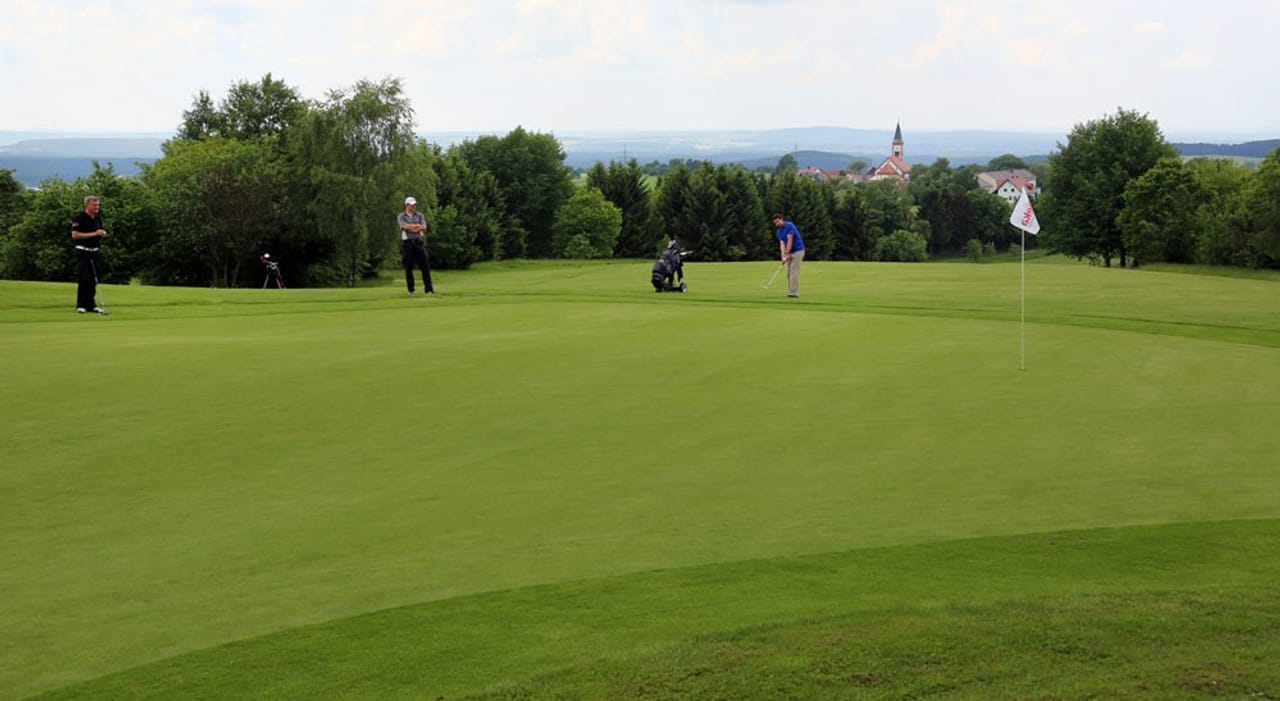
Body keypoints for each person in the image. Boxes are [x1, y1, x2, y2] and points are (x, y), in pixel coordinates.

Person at [71, 195, 108, 314]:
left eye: (98, 205)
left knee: (93, 279)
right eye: (94, 205)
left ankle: (91, 305)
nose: (97, 207)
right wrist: (94, 233)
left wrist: (102, 233)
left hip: (95, 251)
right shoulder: (80, 218)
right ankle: (81, 305)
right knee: (84, 278)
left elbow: (99, 231)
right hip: (83, 251)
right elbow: (75, 235)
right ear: (87, 205)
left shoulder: (98, 219)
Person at [398, 196, 434, 295]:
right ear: (406, 205)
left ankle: (429, 289)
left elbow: (423, 227)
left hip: (418, 241)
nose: (414, 207)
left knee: (425, 265)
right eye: (412, 205)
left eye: (415, 205)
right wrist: (416, 226)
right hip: (408, 242)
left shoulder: (419, 215)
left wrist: (412, 227)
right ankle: (411, 290)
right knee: (409, 267)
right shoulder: (401, 216)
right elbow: (404, 227)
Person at [771, 213, 805, 298]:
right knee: (788, 273)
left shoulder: (789, 225)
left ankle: (794, 293)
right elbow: (782, 244)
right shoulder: (779, 232)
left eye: (778, 221)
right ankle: (791, 291)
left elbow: (790, 240)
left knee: (794, 272)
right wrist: (783, 257)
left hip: (798, 251)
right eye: (775, 223)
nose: (777, 224)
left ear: (782, 219)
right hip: (788, 252)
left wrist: (786, 254)